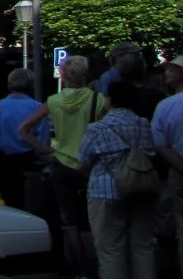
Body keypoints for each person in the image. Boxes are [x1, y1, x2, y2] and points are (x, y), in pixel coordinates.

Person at [22, 55, 97, 278]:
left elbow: (24, 129)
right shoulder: (97, 99)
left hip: (62, 163)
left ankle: (79, 271)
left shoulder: (54, 101)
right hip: (88, 164)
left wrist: (45, 149)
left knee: (69, 222)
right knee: (94, 218)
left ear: (63, 76)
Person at [80, 79, 158, 279]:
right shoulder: (143, 124)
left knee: (110, 250)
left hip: (105, 192)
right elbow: (150, 153)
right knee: (143, 247)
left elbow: (84, 161)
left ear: (109, 100)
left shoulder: (97, 128)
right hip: (142, 189)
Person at [0, 67, 45, 211]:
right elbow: (44, 142)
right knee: (31, 205)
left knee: (11, 204)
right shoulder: (38, 108)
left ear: (9, 85)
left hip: (4, 164)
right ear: (30, 85)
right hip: (29, 164)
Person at [152, 61, 183, 279]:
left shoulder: (166, 105)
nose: (166, 72)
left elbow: (159, 143)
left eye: (172, 69)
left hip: (177, 168)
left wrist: (179, 166)